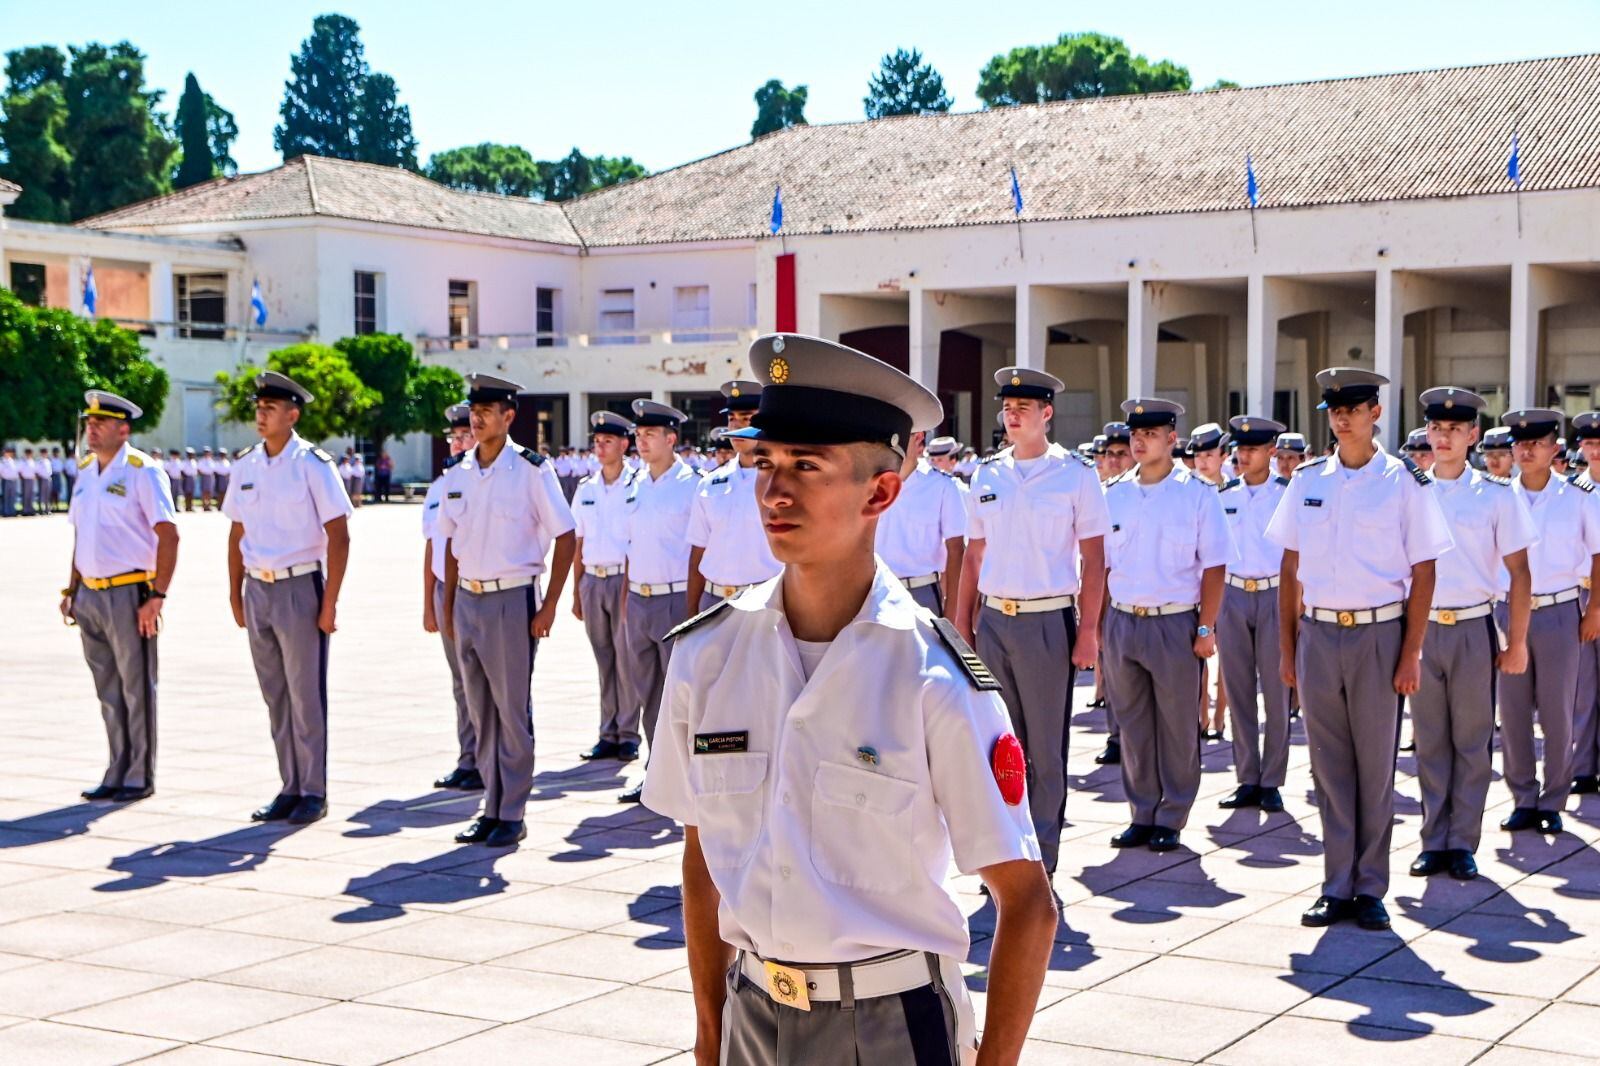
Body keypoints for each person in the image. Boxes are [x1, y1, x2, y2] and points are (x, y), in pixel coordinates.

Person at [643, 333, 1057, 1066]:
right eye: (765, 463)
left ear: (881, 490)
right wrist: (710, 1037)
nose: (774, 490)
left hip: (887, 1026)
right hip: (750, 1015)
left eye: (807, 466)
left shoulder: (933, 679)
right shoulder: (707, 658)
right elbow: (702, 856)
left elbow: (1026, 902)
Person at [1267, 367, 1452, 931]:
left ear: (1375, 412)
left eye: (1353, 407)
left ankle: (1370, 886)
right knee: (1327, 768)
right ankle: (1335, 882)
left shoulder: (1402, 481)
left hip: (1378, 634)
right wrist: (1288, 648)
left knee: (1374, 768)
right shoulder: (1307, 480)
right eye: (1334, 409)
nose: (1342, 417)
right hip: (1320, 634)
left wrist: (1411, 651)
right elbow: (1290, 566)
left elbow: (1425, 571)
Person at [956, 367, 1110, 879]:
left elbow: (1094, 556)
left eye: (1024, 407)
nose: (1012, 414)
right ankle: (1004, 856)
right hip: (995, 621)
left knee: (1044, 748)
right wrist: (962, 626)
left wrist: (1088, 631)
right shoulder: (987, 473)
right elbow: (973, 557)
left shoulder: (1075, 473)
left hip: (1047, 622)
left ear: (1047, 413)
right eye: (1007, 406)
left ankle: (1041, 859)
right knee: (998, 746)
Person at [438, 373, 577, 847]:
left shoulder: (532, 471)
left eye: (486, 412)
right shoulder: (457, 472)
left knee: (511, 711)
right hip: (468, 602)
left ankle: (511, 811)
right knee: (480, 711)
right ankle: (490, 807)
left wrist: (551, 604)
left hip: (511, 598)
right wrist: (448, 602)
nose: (476, 419)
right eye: (472, 412)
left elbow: (566, 535)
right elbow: (449, 543)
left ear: (508, 417)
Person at [1408, 388, 1535, 880]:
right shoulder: (1411, 489)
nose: (1443, 438)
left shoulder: (1496, 494)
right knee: (1429, 740)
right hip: (1422, 628)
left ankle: (1462, 841)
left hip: (1472, 625)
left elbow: (1520, 571)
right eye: (1436, 429)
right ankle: (1432, 838)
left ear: (1472, 436)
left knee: (1471, 740)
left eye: (1454, 430)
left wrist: (1517, 640)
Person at [1101, 398, 1232, 851]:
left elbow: (1215, 566)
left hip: (1174, 622)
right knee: (1133, 725)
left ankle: (1171, 815)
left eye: (1151, 434)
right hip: (1123, 620)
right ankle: (1141, 812)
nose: (1140, 441)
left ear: (1172, 439)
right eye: (1135, 435)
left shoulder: (1195, 493)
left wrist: (1206, 628)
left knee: (1177, 726)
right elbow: (1100, 566)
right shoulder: (1114, 493)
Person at [224, 372, 353, 826]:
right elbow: (236, 531)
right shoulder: (245, 465)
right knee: (275, 695)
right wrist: (235, 592)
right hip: (258, 587)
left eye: (270, 408)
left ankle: (313, 789)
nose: (261, 415)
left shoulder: (312, 464)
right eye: (258, 408)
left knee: (305, 695)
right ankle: (289, 786)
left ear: (292, 415)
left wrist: (330, 601)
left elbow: (339, 535)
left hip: (301, 587)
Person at [60, 390, 179, 803]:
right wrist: (71, 588)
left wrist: (157, 596)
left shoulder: (142, 471)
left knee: (136, 688)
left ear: (123, 429)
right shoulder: (87, 471)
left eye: (100, 423)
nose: (91, 429)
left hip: (131, 592)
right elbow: (83, 535)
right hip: (90, 595)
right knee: (107, 689)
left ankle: (138, 775)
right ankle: (116, 768)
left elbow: (168, 534)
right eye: (89, 422)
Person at [1498, 408, 1600, 835]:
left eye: (1536, 443)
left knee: (1559, 710)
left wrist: (1593, 609)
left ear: (1555, 449)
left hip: (1559, 610)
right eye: (1520, 443)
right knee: (1514, 709)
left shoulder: (1578, 498)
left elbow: (1598, 555)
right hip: (1507, 610)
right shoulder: (1500, 495)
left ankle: (1554, 798)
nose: (1526, 450)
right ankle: (1523, 796)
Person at [617, 399, 702, 804]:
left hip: (674, 602)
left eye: (650, 434)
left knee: (680, 697)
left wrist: (692, 609)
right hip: (638, 600)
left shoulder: (693, 485)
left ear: (672, 438)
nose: (641, 440)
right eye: (638, 434)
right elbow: (630, 548)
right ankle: (656, 771)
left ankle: (686, 778)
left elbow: (698, 551)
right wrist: (624, 603)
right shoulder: (633, 484)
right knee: (647, 693)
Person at [1215, 415, 1291, 813]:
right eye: (1240, 449)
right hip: (1233, 594)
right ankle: (1247, 776)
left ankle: (1272, 779)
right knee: (1239, 689)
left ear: (1271, 452)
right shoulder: (1225, 495)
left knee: (1276, 693)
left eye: (1252, 449)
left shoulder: (1286, 494)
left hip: (1275, 595)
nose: (1243, 455)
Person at [572, 411, 640, 763]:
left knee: (626, 659)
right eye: (596, 442)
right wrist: (575, 589)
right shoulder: (586, 488)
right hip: (592, 580)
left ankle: (628, 734)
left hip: (622, 579)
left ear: (624, 444)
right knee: (604, 660)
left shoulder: (638, 484)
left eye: (607, 441)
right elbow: (578, 542)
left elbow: (637, 543)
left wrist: (630, 587)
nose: (600, 447)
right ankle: (607, 732)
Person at [422, 403, 483, 792]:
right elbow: (432, 546)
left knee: (491, 685)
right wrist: (428, 601)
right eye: (454, 437)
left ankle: (494, 762)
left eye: (464, 435)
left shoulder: (491, 480)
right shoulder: (440, 485)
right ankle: (469, 757)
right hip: (448, 590)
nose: (458, 442)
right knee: (461, 682)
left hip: (482, 591)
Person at [686, 381, 782, 612]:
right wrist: (691, 611)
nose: (737, 425)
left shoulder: (782, 482)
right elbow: (698, 550)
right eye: (732, 418)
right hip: (713, 599)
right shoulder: (709, 483)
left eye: (747, 418)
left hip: (763, 601)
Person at [874, 428, 967, 617]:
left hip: (922, 592)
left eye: (901, 433)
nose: (893, 442)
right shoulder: (870, 484)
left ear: (918, 437)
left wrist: (952, 612)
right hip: (876, 591)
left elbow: (956, 550)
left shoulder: (942, 486)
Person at [1572, 410, 1600, 796]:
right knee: (1582, 686)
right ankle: (1581, 767)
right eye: (1590, 444)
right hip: (1580, 591)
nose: (1595, 451)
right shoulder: (1570, 491)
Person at [19, 447, 38, 515]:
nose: (29, 454)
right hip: (25, 479)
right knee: (25, 495)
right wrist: (23, 479)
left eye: (30, 453)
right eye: (28, 453)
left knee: (31, 495)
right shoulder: (23, 461)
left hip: (31, 479)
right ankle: (25, 510)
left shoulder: (32, 461)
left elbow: (35, 471)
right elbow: (20, 471)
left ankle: (30, 509)